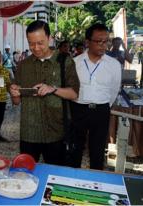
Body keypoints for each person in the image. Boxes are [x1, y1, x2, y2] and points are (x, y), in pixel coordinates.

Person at [9, 20, 80, 165]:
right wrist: (14, 93)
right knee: (26, 173)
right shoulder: (23, 65)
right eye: (31, 43)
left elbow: (74, 94)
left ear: (50, 38)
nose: (36, 48)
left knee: (55, 175)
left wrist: (53, 89)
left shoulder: (64, 61)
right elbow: (16, 102)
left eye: (40, 43)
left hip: (55, 132)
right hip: (29, 132)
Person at [71, 23, 122, 170]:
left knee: (97, 150)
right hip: (78, 109)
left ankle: (96, 183)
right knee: (75, 148)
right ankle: (71, 179)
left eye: (105, 41)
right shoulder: (75, 63)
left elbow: (113, 90)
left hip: (101, 110)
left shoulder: (113, 65)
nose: (103, 45)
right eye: (98, 41)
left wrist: (104, 105)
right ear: (87, 42)